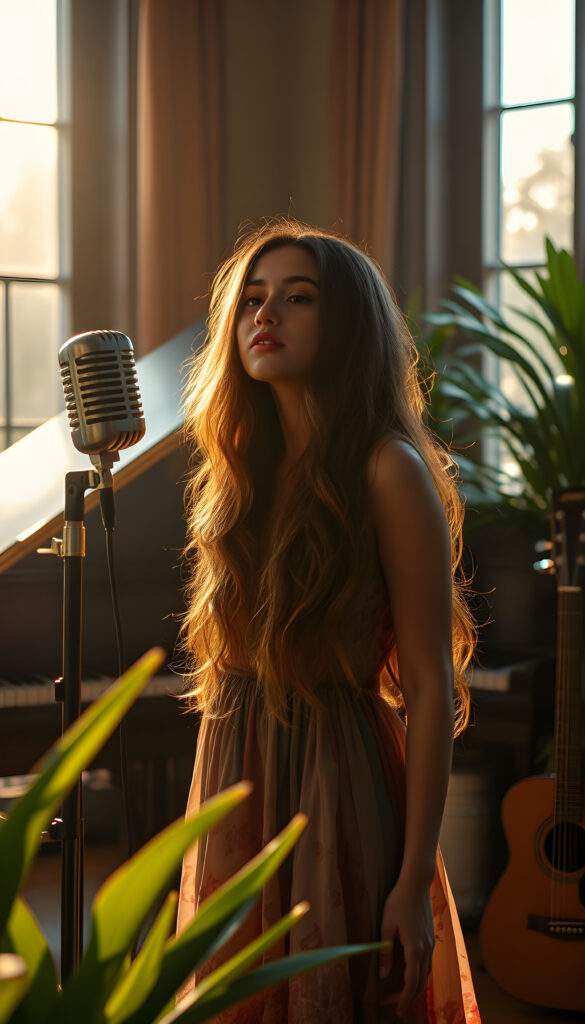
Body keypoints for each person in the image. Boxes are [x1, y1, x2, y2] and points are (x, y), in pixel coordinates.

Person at [176, 217, 481, 1023]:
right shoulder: (238, 478)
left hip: (335, 783)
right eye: (252, 299)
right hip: (235, 774)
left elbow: (425, 682)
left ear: (348, 324)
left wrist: (413, 881)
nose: (264, 316)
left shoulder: (387, 469)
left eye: (296, 298)